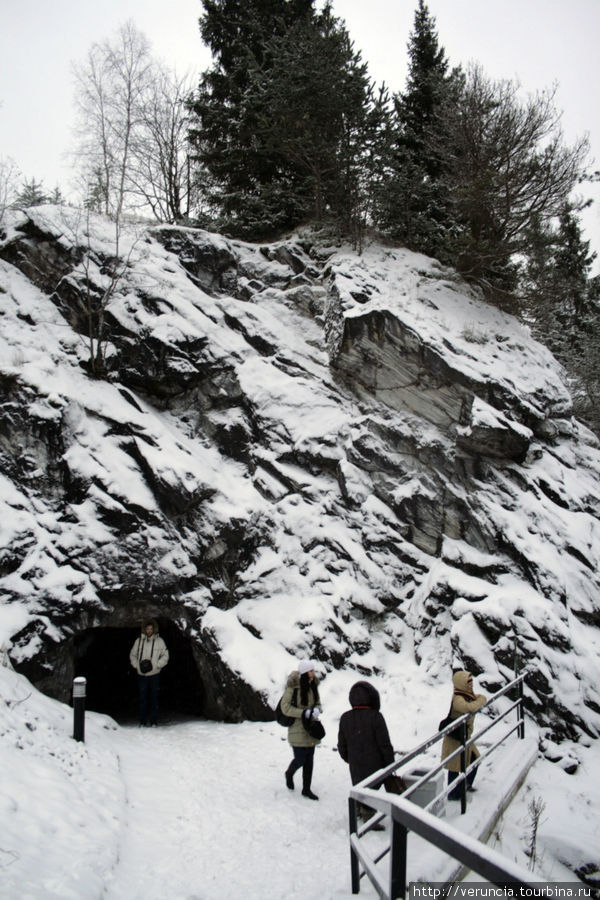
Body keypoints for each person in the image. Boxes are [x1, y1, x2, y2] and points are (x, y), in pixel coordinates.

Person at [338, 680, 395, 824]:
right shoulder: (376, 717)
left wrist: (349, 758)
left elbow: (342, 745)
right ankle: (368, 816)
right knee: (372, 787)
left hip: (355, 763)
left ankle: (359, 807)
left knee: (360, 785)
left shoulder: (346, 718)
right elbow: (384, 744)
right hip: (375, 762)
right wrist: (390, 763)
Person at [441, 670, 486, 800]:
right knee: (455, 767)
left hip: (465, 737)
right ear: (462, 684)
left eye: (471, 683)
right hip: (455, 739)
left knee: (473, 760)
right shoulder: (458, 698)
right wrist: (479, 703)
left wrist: (478, 702)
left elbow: (482, 698)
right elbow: (469, 708)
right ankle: (454, 794)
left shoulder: (467, 695)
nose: (471, 686)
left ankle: (465, 786)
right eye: (468, 683)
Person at [282, 660, 323, 800]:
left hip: (310, 728)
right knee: (300, 759)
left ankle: (306, 789)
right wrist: (302, 713)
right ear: (305, 673)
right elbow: (285, 707)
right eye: (311, 671)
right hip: (297, 729)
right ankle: (289, 773)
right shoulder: (293, 687)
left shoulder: (313, 686)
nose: (313, 673)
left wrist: (317, 709)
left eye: (313, 670)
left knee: (309, 760)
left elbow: (318, 703)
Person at [129, 619, 169, 726]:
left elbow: (166, 655)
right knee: (142, 698)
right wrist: (137, 666)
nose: (149, 631)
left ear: (154, 629)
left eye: (151, 629)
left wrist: (158, 665)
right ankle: (142, 721)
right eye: (147, 629)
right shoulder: (139, 641)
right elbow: (133, 654)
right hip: (142, 675)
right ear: (144, 629)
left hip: (154, 674)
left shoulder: (160, 641)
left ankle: (153, 721)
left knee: (153, 698)